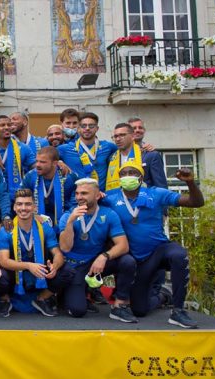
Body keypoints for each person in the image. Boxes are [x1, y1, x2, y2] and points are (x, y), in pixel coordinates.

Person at [101, 161, 204, 328]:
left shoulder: (156, 193)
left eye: (132, 173)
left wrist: (190, 182)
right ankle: (164, 296)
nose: (128, 177)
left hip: (158, 251)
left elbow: (196, 202)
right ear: (119, 178)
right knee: (140, 309)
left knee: (179, 255)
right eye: (124, 174)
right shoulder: (110, 198)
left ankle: (178, 311)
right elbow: (88, 205)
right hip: (134, 260)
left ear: (141, 177)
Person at [57, 178, 137, 322]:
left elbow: (123, 245)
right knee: (77, 310)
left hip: (96, 263)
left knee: (127, 261)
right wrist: (70, 222)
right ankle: (72, 295)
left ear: (97, 195)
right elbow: (65, 247)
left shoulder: (109, 214)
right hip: (75, 266)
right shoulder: (68, 216)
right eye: (77, 193)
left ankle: (120, 306)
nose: (79, 197)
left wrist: (104, 256)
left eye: (84, 193)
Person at [0, 189, 67, 317]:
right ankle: (5, 300)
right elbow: (4, 261)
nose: (23, 208)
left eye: (28, 204)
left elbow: (57, 253)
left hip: (39, 271)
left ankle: (42, 298)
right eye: (19, 204)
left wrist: (54, 266)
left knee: (68, 270)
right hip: (17, 273)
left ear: (34, 207)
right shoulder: (6, 229)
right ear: (14, 207)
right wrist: (29, 265)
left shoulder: (44, 227)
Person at [21, 146, 78, 233]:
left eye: (42, 162)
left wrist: (65, 219)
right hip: (36, 220)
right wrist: (31, 214)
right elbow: (20, 198)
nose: (37, 165)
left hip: (64, 222)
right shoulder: (31, 176)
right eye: (37, 161)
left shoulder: (68, 178)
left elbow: (76, 203)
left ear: (55, 163)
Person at [58, 112, 116, 191]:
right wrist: (58, 161)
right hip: (76, 199)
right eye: (83, 126)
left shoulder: (109, 146)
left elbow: (123, 153)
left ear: (97, 128)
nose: (87, 128)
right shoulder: (65, 149)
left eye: (91, 126)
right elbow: (47, 157)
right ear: (78, 128)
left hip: (101, 198)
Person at [107, 123, 167, 190]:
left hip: (145, 198)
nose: (118, 139)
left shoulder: (150, 156)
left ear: (132, 136)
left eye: (122, 135)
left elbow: (161, 186)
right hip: (118, 198)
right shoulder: (111, 158)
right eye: (115, 136)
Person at [0, 115, 35, 201]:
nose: (7, 127)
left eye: (9, 125)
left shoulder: (24, 148)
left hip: (16, 197)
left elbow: (36, 167)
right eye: (2, 125)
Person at [126, 119, 168, 189]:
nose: (137, 130)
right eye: (134, 128)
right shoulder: (117, 155)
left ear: (144, 131)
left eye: (140, 128)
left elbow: (160, 185)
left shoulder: (152, 155)